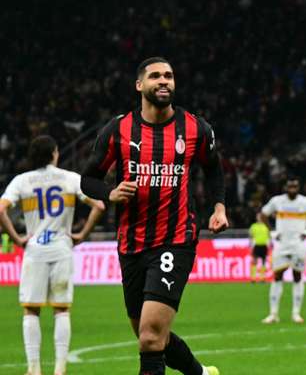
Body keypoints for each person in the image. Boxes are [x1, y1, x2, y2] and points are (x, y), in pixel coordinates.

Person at [79, 57, 225, 375]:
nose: (164, 81)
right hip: (131, 245)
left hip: (176, 240)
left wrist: (219, 207)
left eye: (169, 76)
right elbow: (87, 179)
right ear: (139, 85)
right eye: (156, 76)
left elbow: (214, 168)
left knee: (149, 337)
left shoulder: (195, 128)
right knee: (151, 336)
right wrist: (110, 193)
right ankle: (201, 374)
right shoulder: (118, 129)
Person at [0, 135, 105, 375]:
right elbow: (99, 205)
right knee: (61, 309)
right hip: (61, 248)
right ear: (54, 154)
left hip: (35, 250)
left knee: (31, 309)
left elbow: (1, 209)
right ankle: (60, 369)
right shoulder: (69, 178)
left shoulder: (22, 181)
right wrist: (82, 235)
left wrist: (17, 238)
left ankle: (34, 368)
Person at [260, 176, 306, 324]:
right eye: (290, 187)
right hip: (281, 243)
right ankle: (273, 314)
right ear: (285, 187)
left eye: (295, 187)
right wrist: (271, 230)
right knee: (277, 275)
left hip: (298, 244)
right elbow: (263, 214)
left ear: (298, 188)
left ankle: (296, 313)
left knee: (297, 276)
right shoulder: (277, 201)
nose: (292, 189)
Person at [249, 212, 270, 283]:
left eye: (260, 216)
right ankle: (253, 278)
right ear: (256, 217)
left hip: (264, 245)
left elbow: (268, 236)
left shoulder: (266, 226)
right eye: (258, 216)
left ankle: (262, 278)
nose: (259, 218)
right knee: (254, 261)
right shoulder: (253, 226)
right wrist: (250, 245)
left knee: (263, 262)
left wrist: (269, 244)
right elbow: (251, 236)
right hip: (256, 245)